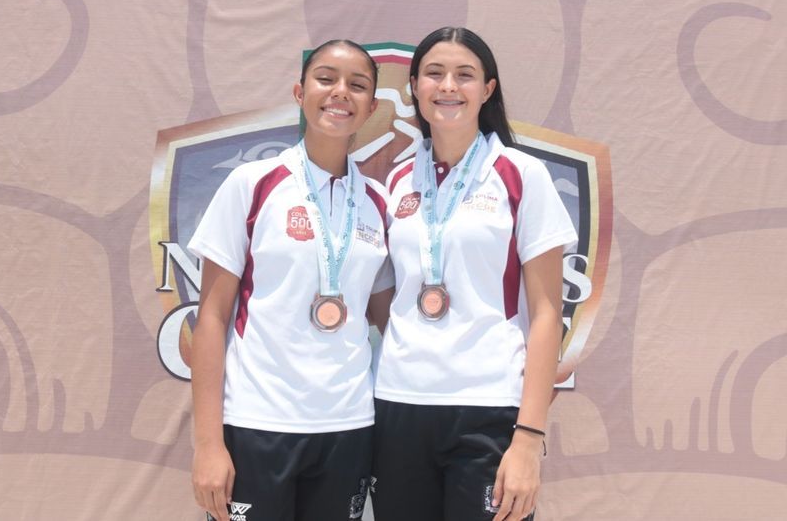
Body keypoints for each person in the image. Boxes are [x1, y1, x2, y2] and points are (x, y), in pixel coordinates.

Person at [371, 27, 577, 521]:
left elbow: (548, 313)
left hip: (489, 406)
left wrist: (528, 436)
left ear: (487, 90)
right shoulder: (397, 180)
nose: (448, 86)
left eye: (465, 75)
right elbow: (382, 293)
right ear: (415, 87)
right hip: (399, 403)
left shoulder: (520, 174)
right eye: (435, 74)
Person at [188, 39, 393, 521]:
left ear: (372, 107)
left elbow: (395, 323)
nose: (340, 92)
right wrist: (207, 444)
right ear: (300, 91)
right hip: (258, 423)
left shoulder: (378, 204)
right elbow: (212, 319)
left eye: (357, 85)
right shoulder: (252, 184)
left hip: (349, 425)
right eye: (326, 79)